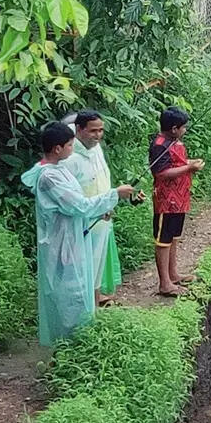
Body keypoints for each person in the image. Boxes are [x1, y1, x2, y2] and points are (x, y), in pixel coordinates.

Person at [22, 121, 136, 346]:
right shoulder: (49, 177)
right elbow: (78, 206)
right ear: (57, 149)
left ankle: (80, 342)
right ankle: (66, 347)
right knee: (68, 296)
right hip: (61, 244)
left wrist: (97, 213)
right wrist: (114, 195)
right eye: (70, 145)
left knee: (79, 290)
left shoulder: (59, 169)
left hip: (73, 238)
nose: (73, 149)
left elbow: (78, 208)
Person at [61, 109, 120, 306]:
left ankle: (95, 308)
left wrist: (109, 202)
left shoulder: (96, 149)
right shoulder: (69, 157)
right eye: (93, 131)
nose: (98, 136)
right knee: (82, 268)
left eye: (101, 130)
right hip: (81, 222)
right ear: (79, 129)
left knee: (97, 265)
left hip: (102, 217)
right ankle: (82, 315)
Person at [149, 106, 203, 297]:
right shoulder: (160, 146)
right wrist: (189, 169)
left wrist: (189, 163)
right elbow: (161, 173)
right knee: (163, 240)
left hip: (180, 198)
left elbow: (176, 164)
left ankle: (173, 274)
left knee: (174, 237)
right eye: (183, 127)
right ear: (173, 128)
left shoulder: (175, 142)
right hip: (166, 200)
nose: (184, 130)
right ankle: (164, 283)